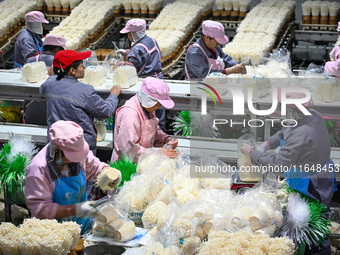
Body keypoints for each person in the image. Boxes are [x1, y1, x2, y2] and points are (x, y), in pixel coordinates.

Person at [241, 90, 336, 255]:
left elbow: (278, 165)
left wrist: (252, 153)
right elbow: (285, 130)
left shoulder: (303, 133)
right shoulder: (311, 114)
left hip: (312, 184)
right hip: (317, 175)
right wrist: (268, 143)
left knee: (312, 231)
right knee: (307, 226)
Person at [25, 120, 121, 234]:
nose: (78, 159)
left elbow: (95, 167)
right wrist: (75, 209)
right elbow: (41, 210)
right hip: (54, 237)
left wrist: (108, 173)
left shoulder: (78, 153)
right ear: (58, 150)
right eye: (73, 156)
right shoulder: (39, 169)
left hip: (82, 227)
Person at [40, 50, 121, 155]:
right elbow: (105, 111)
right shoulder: (85, 90)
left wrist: (53, 76)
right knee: (82, 171)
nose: (84, 68)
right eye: (82, 65)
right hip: (80, 148)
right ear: (72, 70)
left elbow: (42, 90)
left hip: (56, 145)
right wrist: (113, 96)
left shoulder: (49, 84)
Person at [111, 77, 178, 163]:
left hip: (145, 160)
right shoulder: (129, 114)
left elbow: (153, 130)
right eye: (158, 104)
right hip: (128, 164)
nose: (158, 107)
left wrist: (165, 139)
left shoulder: (148, 109)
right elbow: (128, 149)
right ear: (149, 100)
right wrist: (158, 153)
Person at [118, 18, 166, 131]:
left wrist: (121, 64)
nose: (128, 36)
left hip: (147, 87)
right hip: (159, 80)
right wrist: (128, 53)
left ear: (133, 34)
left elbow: (130, 70)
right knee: (159, 116)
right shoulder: (152, 40)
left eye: (128, 33)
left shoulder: (136, 49)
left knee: (147, 118)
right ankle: (162, 140)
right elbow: (146, 55)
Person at [23, 35, 67, 126]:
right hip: (54, 112)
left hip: (32, 110)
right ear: (56, 49)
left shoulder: (30, 61)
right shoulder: (62, 64)